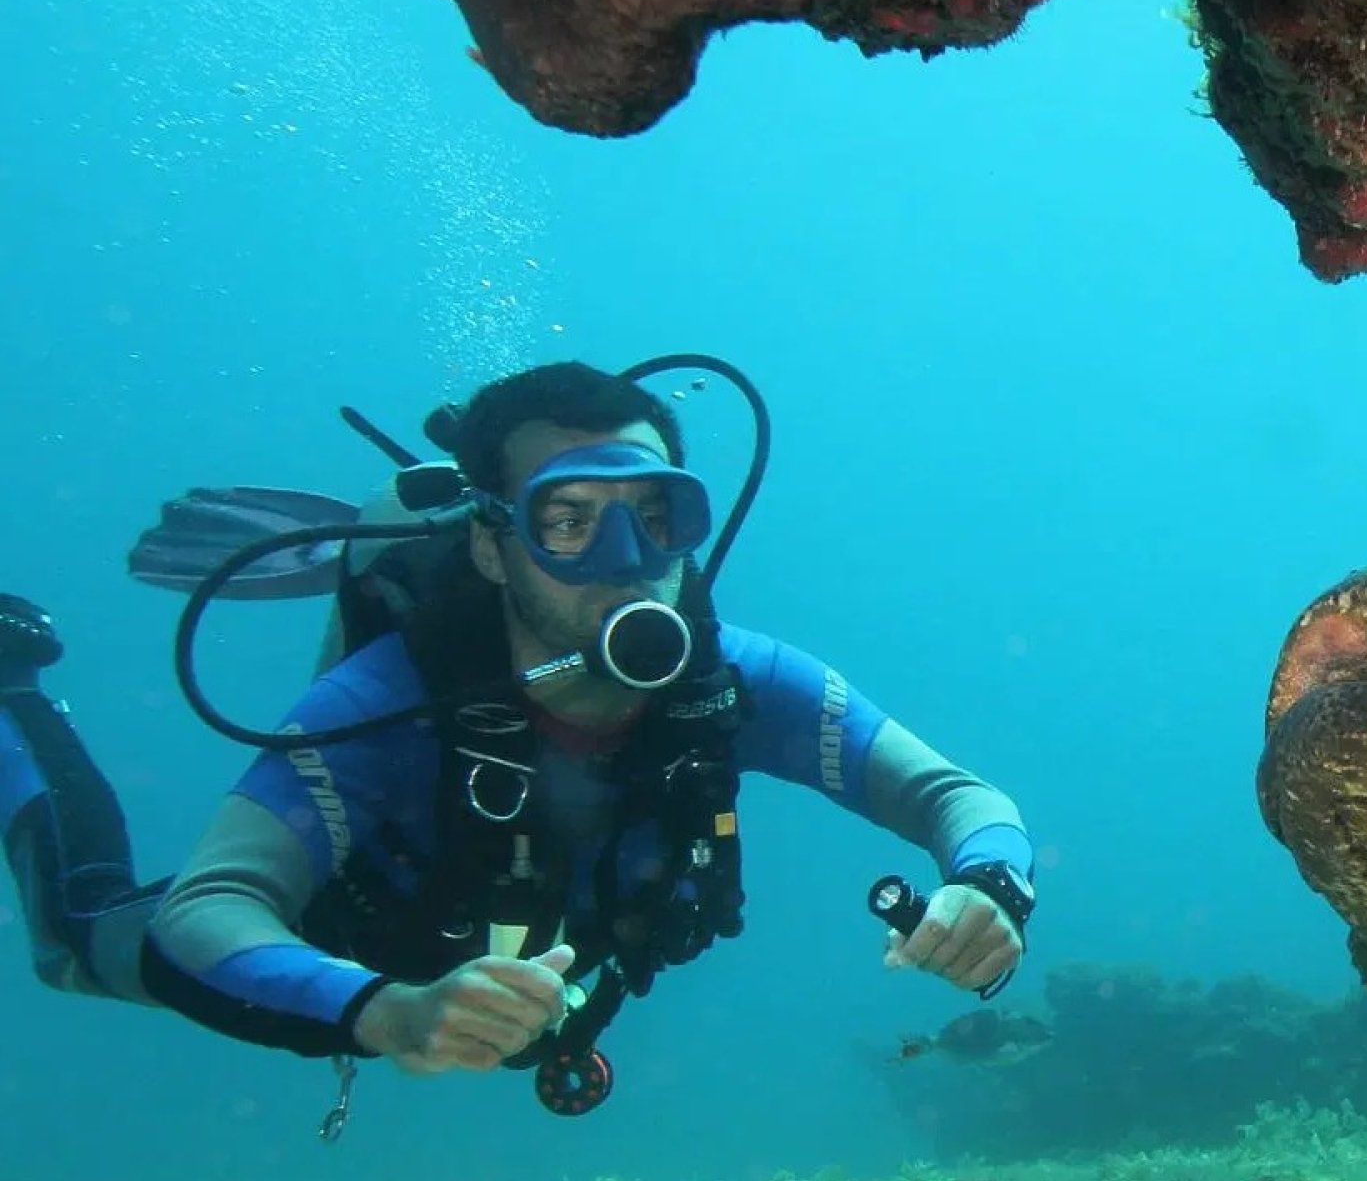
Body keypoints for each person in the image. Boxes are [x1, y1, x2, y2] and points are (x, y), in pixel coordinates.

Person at [0, 360, 1034, 1114]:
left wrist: (989, 883)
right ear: (493, 547)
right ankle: (17, 692)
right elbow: (210, 907)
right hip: (353, 961)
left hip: (531, 978)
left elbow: (953, 796)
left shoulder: (734, 680)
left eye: (657, 513)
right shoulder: (386, 702)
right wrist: (387, 1012)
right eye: (570, 520)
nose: (627, 559)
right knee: (79, 943)